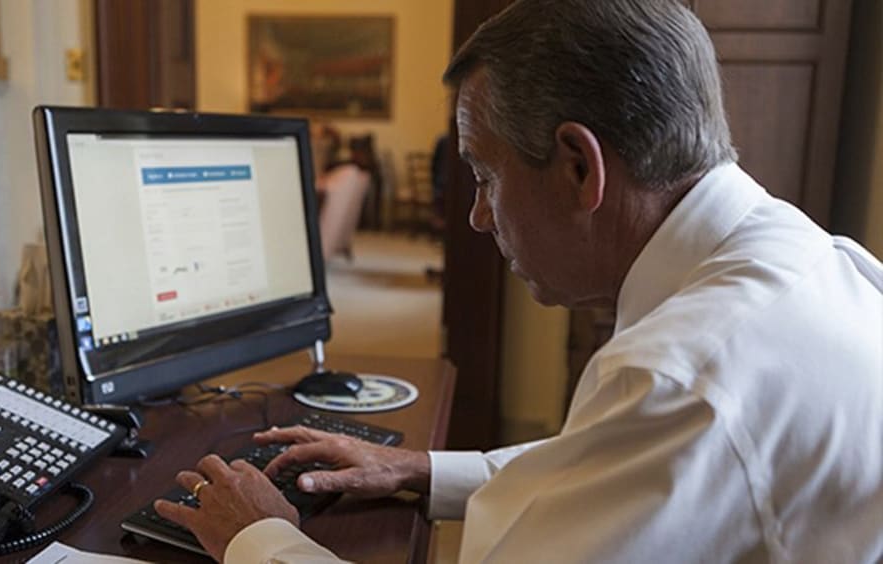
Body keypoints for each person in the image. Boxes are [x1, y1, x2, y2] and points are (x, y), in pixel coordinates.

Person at [155, 0, 883, 561]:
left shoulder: (677, 376)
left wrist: (261, 539)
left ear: (578, 167)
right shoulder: (802, 250)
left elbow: (658, 432)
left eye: (484, 175)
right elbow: (619, 464)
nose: (477, 216)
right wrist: (420, 469)